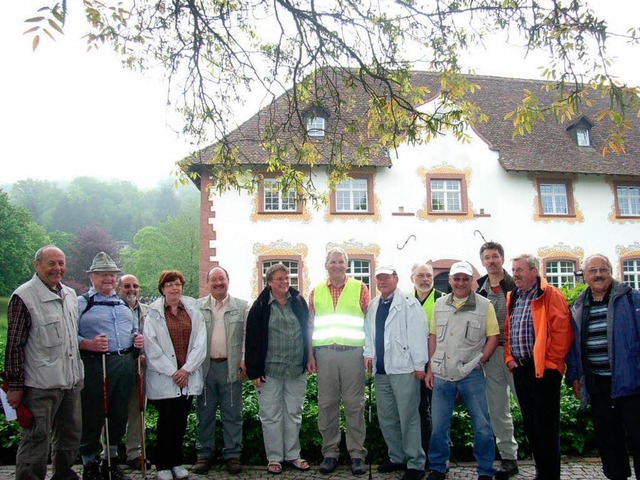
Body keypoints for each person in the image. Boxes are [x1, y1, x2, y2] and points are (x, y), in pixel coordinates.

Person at [5, 245, 84, 480]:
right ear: (37, 265)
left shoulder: (69, 295)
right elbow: (14, 346)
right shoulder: (23, 297)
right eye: (51, 263)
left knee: (70, 436)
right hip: (39, 385)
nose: (57, 268)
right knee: (35, 440)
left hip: (70, 382)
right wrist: (16, 387)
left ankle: (64, 476)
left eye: (61, 263)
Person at [565, 254, 640, 480]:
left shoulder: (631, 298)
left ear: (610, 272)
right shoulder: (579, 305)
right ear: (585, 275)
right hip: (598, 384)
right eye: (593, 271)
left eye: (603, 269)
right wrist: (575, 376)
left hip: (631, 383)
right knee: (608, 439)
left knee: (638, 437)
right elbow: (574, 347)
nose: (598, 274)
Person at [425, 261, 499, 480]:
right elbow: (433, 336)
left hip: (471, 374)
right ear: (450, 280)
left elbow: (493, 337)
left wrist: (480, 360)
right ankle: (438, 466)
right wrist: (430, 368)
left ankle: (485, 469)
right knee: (438, 426)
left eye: (465, 278)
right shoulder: (439, 304)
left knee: (483, 426)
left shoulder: (485, 305)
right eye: (456, 278)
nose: (460, 282)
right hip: (442, 374)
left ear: (471, 281)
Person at [504, 254, 573, 480]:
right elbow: (508, 330)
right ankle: (541, 472)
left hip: (544, 370)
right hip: (522, 369)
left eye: (520, 270)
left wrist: (551, 366)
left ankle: (549, 475)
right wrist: (509, 359)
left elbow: (561, 332)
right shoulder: (513, 296)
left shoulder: (550, 294)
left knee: (546, 427)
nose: (515, 274)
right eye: (513, 270)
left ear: (534, 271)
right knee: (531, 426)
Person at [77, 252, 144, 480]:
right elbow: (69, 336)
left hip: (124, 363)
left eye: (111, 275)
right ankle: (89, 463)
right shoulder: (82, 303)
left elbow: (134, 330)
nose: (108, 279)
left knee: (118, 414)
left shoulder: (123, 304)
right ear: (92, 277)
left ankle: (111, 460)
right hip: (97, 364)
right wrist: (87, 343)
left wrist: (137, 340)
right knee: (93, 413)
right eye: (102, 274)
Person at [306, 248, 370, 475]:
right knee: (327, 404)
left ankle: (356, 454)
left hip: (353, 354)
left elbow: (368, 322)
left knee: (355, 405)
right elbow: (310, 325)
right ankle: (330, 453)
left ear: (346, 265)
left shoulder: (360, 288)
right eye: (332, 262)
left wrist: (369, 353)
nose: (336, 265)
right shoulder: (316, 291)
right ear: (326, 265)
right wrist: (310, 355)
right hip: (325, 355)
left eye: (340, 261)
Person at [364, 266, 428, 480]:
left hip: (404, 369)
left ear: (396, 279)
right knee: (387, 417)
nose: (382, 281)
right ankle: (397, 456)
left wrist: (420, 365)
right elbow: (369, 334)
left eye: (386, 278)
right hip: (381, 370)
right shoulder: (374, 304)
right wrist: (368, 354)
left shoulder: (410, 304)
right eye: (379, 278)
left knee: (408, 417)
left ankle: (415, 462)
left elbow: (419, 335)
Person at [245, 263, 311, 475]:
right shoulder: (261, 306)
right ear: (270, 282)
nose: (284, 282)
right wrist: (254, 371)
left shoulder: (298, 301)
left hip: (295, 369)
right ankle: (274, 457)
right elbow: (252, 340)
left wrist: (309, 356)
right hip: (270, 371)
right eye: (279, 279)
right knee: (271, 415)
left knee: (294, 413)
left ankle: (293, 454)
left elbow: (307, 332)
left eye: (286, 277)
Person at [144, 270, 207, 480]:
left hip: (186, 376)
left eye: (178, 284)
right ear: (162, 288)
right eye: (169, 284)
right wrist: (173, 372)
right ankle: (162, 465)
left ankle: (177, 463)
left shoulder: (191, 311)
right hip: (165, 377)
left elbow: (200, 343)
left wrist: (187, 369)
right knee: (165, 423)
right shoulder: (153, 314)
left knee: (180, 422)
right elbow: (151, 347)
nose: (174, 288)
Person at [193, 266, 249, 474]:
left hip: (231, 367)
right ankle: (204, 454)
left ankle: (233, 455)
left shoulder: (241, 307)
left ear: (228, 280)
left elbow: (246, 337)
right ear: (207, 283)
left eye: (221, 279)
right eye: (213, 280)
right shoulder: (197, 308)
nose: (218, 283)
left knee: (232, 413)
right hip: (206, 368)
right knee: (204, 413)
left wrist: (243, 359)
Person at [475, 242, 519, 479]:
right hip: (491, 356)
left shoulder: (515, 284)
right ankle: (509, 458)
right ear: (482, 261)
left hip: (517, 355)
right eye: (487, 257)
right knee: (498, 409)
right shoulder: (478, 289)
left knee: (527, 405)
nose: (491, 261)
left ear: (502, 259)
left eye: (495, 256)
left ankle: (542, 456)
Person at [410, 263, 445, 465]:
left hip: (437, 363)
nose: (425, 280)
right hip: (414, 365)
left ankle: (440, 456)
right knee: (419, 410)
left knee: (438, 411)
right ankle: (422, 452)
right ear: (412, 278)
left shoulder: (442, 299)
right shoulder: (406, 300)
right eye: (420, 276)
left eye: (428, 276)